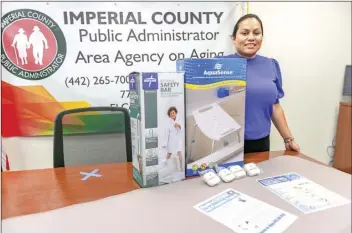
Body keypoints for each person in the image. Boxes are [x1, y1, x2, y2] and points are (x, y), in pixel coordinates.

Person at [222, 14, 300, 153]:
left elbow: (275, 107)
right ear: (233, 38)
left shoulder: (270, 65)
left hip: (261, 142)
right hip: (227, 143)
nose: (251, 37)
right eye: (244, 33)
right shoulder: (219, 65)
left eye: (256, 33)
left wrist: (288, 139)